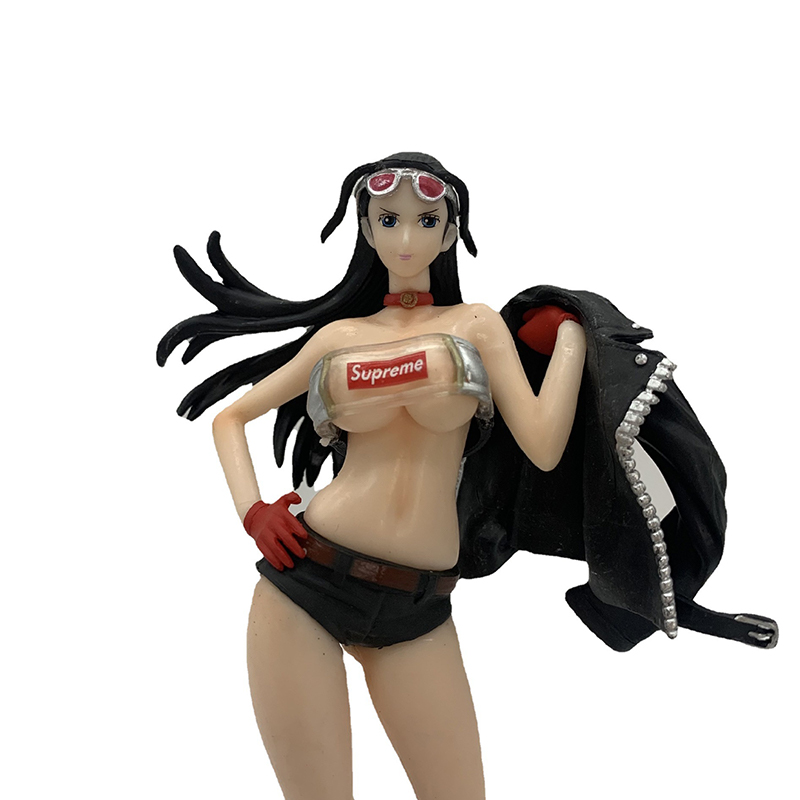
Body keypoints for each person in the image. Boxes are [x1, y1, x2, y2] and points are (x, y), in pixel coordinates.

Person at [158, 152, 587, 800]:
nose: (407, 237)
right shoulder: (340, 337)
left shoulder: (476, 326)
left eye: (426, 221)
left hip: (420, 605)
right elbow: (231, 418)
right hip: (306, 585)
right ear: (366, 227)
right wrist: (254, 512)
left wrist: (573, 337)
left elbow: (545, 446)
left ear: (450, 233)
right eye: (389, 219)